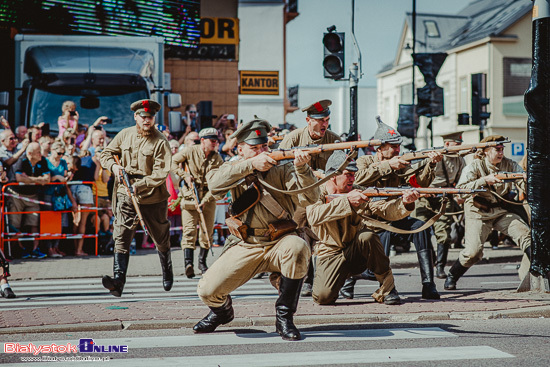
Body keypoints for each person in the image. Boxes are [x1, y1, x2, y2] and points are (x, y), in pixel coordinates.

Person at [193, 118, 319, 341]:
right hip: (247, 243)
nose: (262, 152)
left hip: (281, 240)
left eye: (264, 147)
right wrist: (251, 165)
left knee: (298, 247)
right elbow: (214, 187)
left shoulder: (283, 167)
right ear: (240, 149)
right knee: (207, 290)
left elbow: (311, 197)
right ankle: (222, 312)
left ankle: (284, 318)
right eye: (254, 148)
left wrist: (302, 168)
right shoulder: (232, 167)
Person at [306, 151, 416, 305]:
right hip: (330, 252)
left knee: (367, 236)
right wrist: (347, 201)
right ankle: (342, 278)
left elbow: (385, 210)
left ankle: (388, 288)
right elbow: (313, 216)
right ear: (332, 176)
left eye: (353, 174)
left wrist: (406, 202)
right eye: (347, 174)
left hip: (356, 249)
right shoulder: (317, 192)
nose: (352, 178)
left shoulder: (359, 190)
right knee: (323, 298)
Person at [353, 118, 443, 300]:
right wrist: (388, 166)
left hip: (396, 214)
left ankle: (428, 284)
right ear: (379, 148)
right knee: (383, 234)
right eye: (392, 146)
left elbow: (420, 183)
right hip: (372, 220)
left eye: (398, 146)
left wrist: (431, 164)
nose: (397, 150)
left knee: (422, 228)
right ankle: (384, 288)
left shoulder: (402, 163)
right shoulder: (364, 161)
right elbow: (359, 179)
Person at [99, 99, 173, 297]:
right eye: (143, 117)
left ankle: (167, 269)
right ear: (135, 117)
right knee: (121, 235)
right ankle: (118, 281)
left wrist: (139, 185)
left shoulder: (160, 141)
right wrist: (114, 167)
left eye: (149, 117)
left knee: (160, 236)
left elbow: (161, 172)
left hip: (152, 196)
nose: (146, 120)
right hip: (125, 193)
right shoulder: (125, 134)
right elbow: (106, 153)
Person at [445, 135, 531, 290]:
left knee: (525, 235)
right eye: (496, 149)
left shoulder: (509, 164)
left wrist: (525, 180)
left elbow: (521, 182)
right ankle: (452, 275)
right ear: (485, 151)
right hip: (478, 211)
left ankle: (538, 274)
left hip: (501, 210)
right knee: (473, 252)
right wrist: (484, 180)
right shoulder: (474, 167)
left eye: (502, 149)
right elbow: (461, 192)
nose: (500, 152)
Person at [278, 99, 341, 297]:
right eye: (321, 120)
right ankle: (306, 277)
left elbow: (342, 171)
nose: (325, 124)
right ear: (308, 120)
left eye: (327, 119)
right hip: (298, 199)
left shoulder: (334, 140)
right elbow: (281, 169)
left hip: (323, 198)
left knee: (328, 235)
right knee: (297, 234)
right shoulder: (292, 139)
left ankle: (334, 278)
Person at [413, 132, 466, 278]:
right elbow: (413, 176)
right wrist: (422, 191)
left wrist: (459, 195)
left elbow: (461, 181)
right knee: (421, 230)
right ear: (447, 144)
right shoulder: (430, 156)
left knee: (444, 234)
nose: (460, 147)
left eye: (460, 144)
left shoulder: (460, 160)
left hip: (443, 198)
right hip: (423, 199)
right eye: (457, 144)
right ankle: (431, 262)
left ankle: (440, 267)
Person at [172, 127, 223, 277]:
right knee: (189, 231)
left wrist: (206, 200)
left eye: (216, 141)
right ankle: (188, 264)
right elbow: (172, 163)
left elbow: (219, 181)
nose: (215, 143)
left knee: (207, 232)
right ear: (203, 141)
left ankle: (202, 262)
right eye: (212, 141)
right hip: (190, 197)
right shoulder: (190, 151)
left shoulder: (217, 158)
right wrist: (184, 175)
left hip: (208, 197)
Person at [11, 142, 50, 259]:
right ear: (29, 153)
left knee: (34, 222)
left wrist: (28, 179)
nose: (40, 154)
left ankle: (35, 249)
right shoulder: (21, 161)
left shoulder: (42, 161)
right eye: (38, 152)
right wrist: (38, 180)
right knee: (15, 223)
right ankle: (20, 248)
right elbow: (19, 178)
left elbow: (47, 179)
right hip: (18, 195)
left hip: (33, 195)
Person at [45, 141, 77, 257]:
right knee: (49, 222)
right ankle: (49, 248)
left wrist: (66, 176)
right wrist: (57, 177)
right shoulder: (46, 161)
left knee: (61, 222)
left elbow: (65, 180)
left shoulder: (63, 162)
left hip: (61, 194)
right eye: (58, 153)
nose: (60, 155)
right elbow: (47, 177)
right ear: (52, 150)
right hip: (49, 194)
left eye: (62, 153)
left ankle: (56, 247)